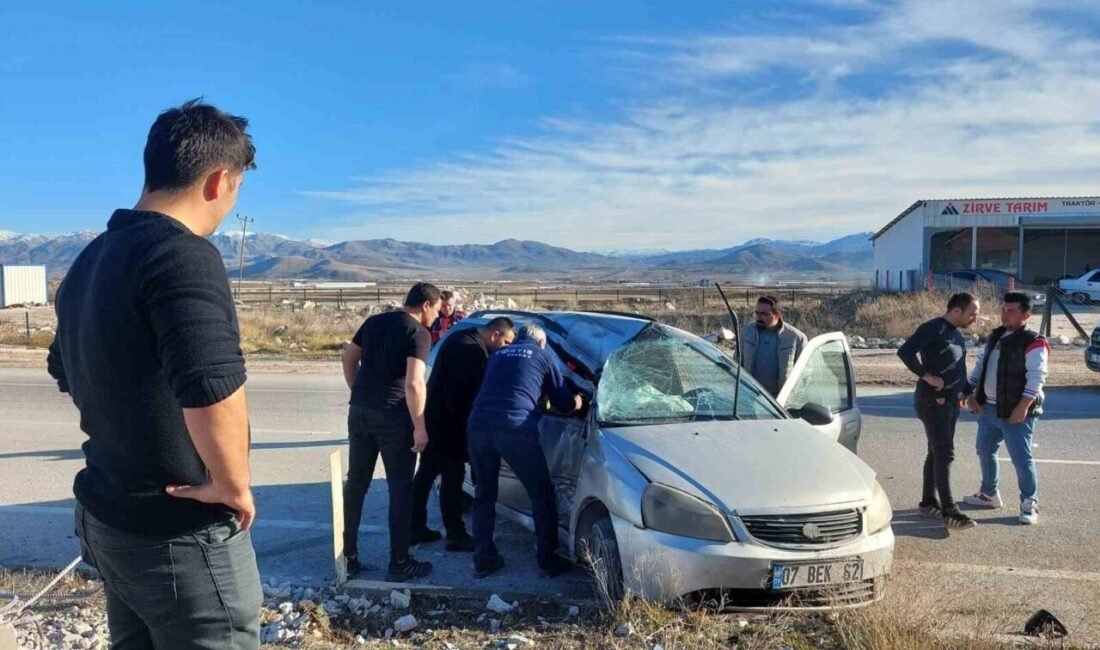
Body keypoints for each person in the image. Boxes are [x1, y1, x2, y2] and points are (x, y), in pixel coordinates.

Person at [46, 99, 263, 648]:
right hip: (179, 535)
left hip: (108, 514)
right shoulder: (182, 254)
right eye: (237, 188)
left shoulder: (91, 259)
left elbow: (62, 366)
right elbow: (212, 383)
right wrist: (231, 483)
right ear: (219, 181)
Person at [466, 324, 583, 579]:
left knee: (484, 495)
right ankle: (547, 561)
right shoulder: (542, 355)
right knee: (542, 495)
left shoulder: (497, 355)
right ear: (541, 342)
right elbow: (562, 402)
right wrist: (578, 401)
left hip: (478, 426)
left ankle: (483, 560)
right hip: (514, 429)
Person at [342, 282, 442, 580]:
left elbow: (349, 357)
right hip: (394, 418)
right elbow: (414, 383)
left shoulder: (374, 322)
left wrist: (359, 390)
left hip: (360, 412)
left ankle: (349, 557)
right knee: (400, 489)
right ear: (426, 304)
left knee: (356, 484)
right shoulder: (418, 333)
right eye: (436, 310)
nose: (436, 317)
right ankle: (399, 563)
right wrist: (420, 427)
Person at [410, 317, 517, 551]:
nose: (506, 348)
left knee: (428, 475)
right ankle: (454, 533)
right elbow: (463, 394)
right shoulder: (470, 350)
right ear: (495, 334)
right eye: (506, 342)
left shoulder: (465, 339)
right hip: (448, 423)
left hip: (439, 419)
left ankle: (415, 527)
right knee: (451, 477)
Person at [963, 292, 1049, 525]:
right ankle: (988, 494)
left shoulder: (1034, 341)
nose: (1005, 314)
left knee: (1021, 459)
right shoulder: (996, 336)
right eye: (1003, 309)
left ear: (1026, 314)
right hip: (988, 408)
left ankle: (1029, 503)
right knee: (984, 450)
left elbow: (1036, 377)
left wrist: (1023, 407)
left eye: (1011, 310)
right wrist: (969, 391)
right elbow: (981, 365)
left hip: (1016, 412)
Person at [897, 292, 980, 530]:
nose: (975, 317)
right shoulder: (932, 328)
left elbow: (958, 368)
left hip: (952, 402)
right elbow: (905, 351)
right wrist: (926, 376)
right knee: (945, 453)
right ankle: (949, 510)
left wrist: (968, 393)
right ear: (956, 311)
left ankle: (927, 503)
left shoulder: (955, 334)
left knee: (935, 452)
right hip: (931, 401)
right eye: (972, 313)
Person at [739, 295, 808, 396]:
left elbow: (805, 373)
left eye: (764, 314)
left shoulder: (796, 338)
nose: (759, 317)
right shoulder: (746, 333)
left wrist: (793, 396)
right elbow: (737, 362)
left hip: (780, 401)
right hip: (750, 395)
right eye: (757, 313)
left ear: (777, 314)